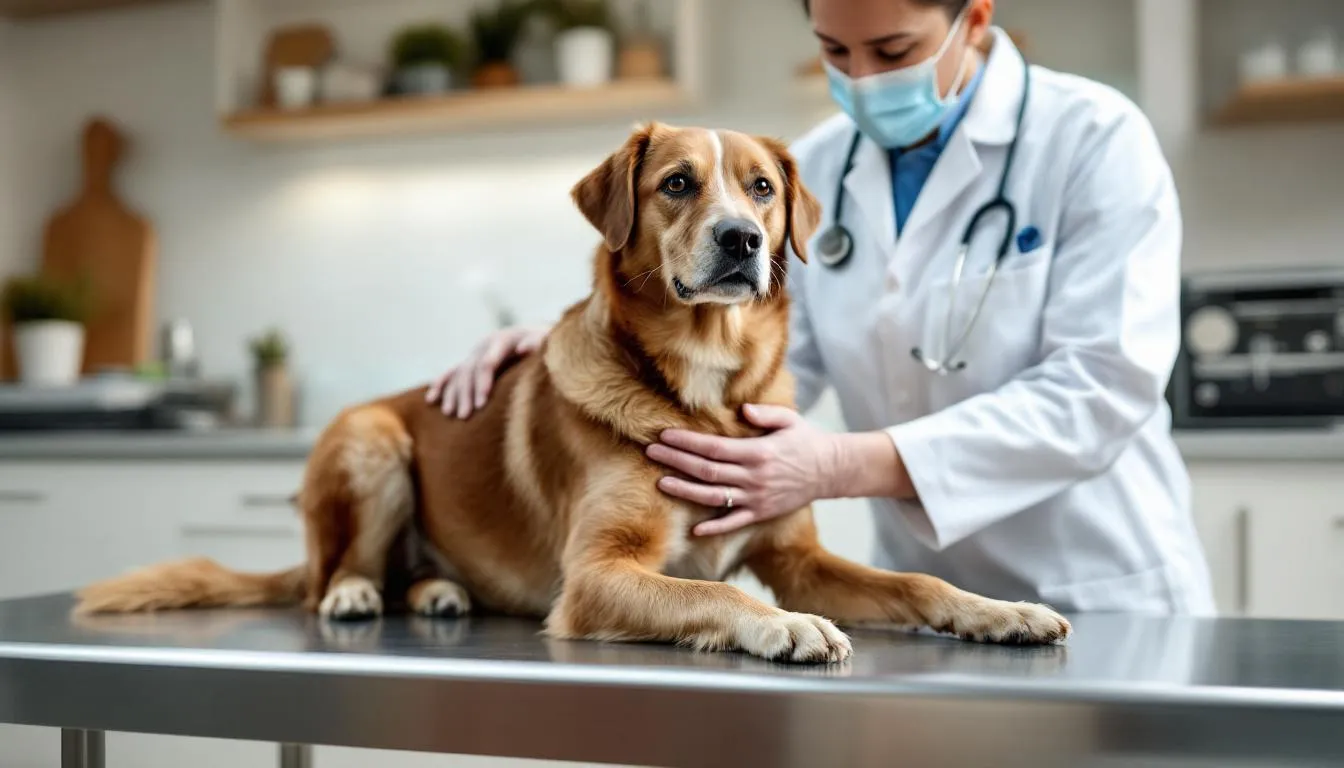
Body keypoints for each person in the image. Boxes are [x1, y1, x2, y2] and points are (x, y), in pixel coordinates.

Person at [426, 0, 1215, 615]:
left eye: (893, 51)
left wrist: (839, 464)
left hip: (1099, 581)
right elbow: (757, 358)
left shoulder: (1095, 139)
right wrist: (587, 342)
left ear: (973, 19)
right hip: (917, 588)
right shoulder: (822, 163)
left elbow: (1101, 387)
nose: (864, 78)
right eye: (835, 50)